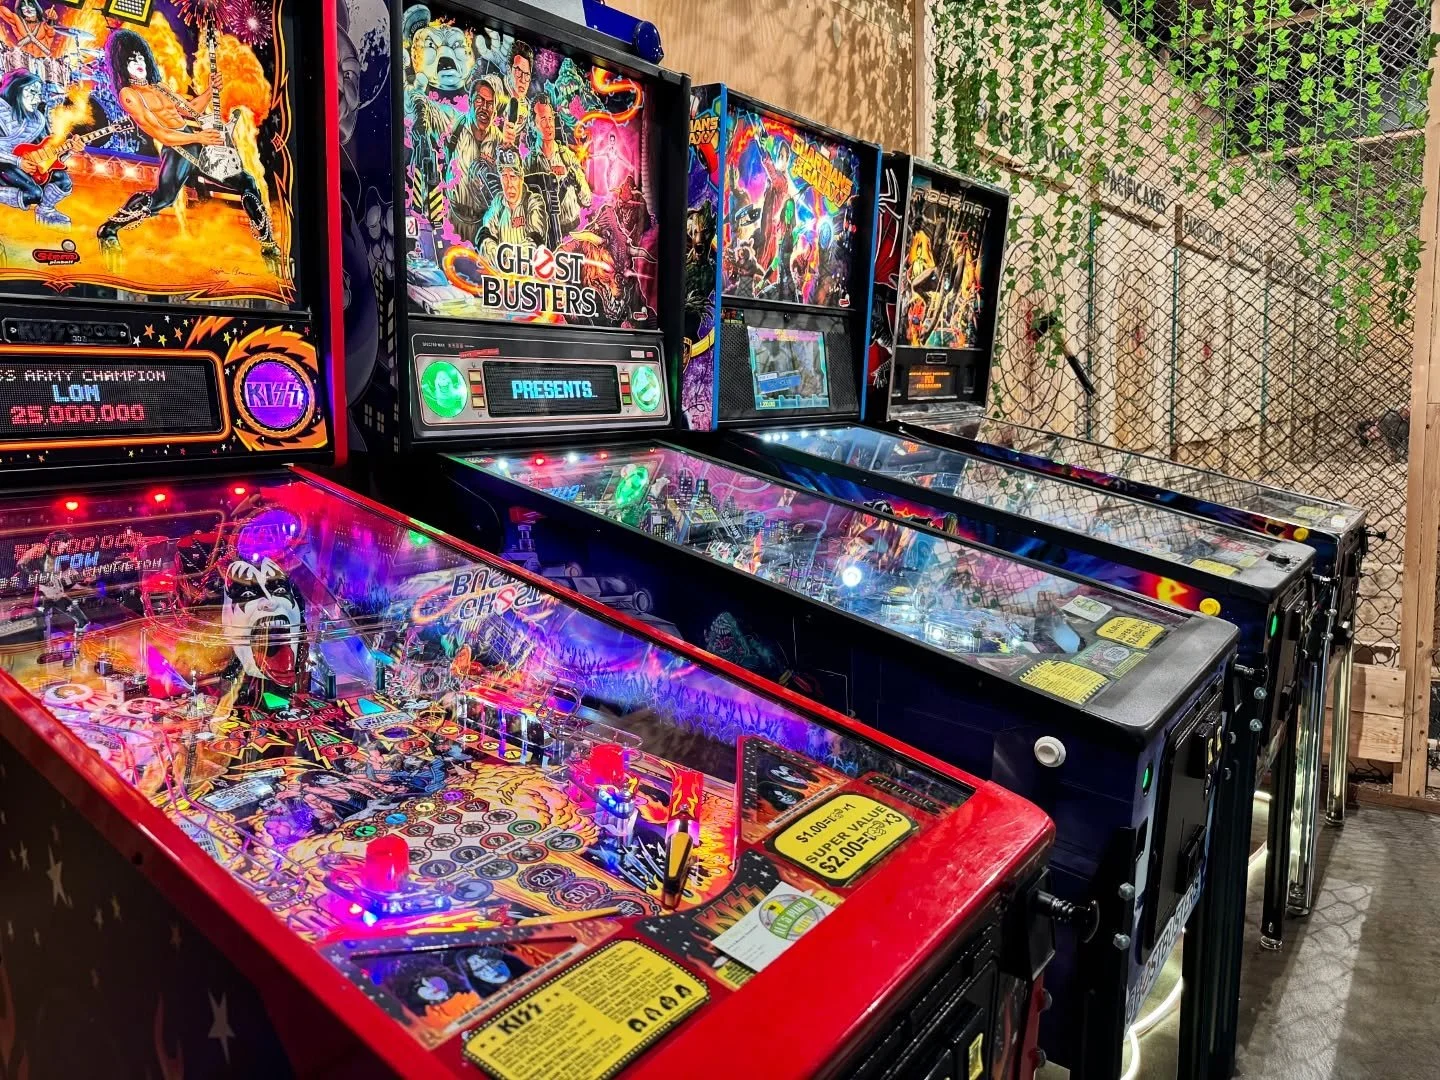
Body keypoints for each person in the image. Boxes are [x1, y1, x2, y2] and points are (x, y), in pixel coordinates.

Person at [96, 29, 279, 268]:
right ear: (122, 64)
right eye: (131, 59)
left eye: (141, 57)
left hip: (196, 143)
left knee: (247, 182)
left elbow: (191, 108)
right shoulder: (129, 95)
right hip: (177, 149)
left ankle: (268, 244)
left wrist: (210, 90)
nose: (138, 63)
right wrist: (200, 136)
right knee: (163, 199)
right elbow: (160, 133)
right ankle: (108, 230)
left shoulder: (160, 87)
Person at [0, 68, 72, 224]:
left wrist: (69, 149)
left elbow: (46, 148)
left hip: (27, 163)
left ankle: (45, 211)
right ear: (16, 89)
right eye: (32, 92)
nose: (37, 99)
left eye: (38, 94)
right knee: (33, 193)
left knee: (63, 181)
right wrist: (18, 162)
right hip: (4, 165)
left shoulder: (37, 119)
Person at [529, 98, 590, 240]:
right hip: (547, 236)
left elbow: (587, 199)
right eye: (543, 119)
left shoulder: (567, 156)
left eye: (550, 118)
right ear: (533, 124)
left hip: (573, 232)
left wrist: (576, 180)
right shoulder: (530, 162)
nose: (549, 125)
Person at [476, 144, 545, 260]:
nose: (509, 185)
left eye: (513, 176)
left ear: (521, 178)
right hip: (500, 272)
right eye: (504, 176)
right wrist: (499, 259)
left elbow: (535, 237)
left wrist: (513, 261)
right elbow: (484, 234)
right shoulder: (498, 202)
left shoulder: (533, 202)